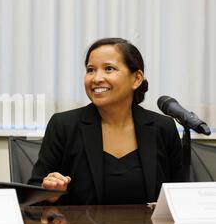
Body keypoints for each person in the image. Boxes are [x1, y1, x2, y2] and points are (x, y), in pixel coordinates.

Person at [28, 38, 184, 205]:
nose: (96, 78)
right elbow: (33, 194)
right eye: (90, 70)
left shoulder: (163, 128)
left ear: (136, 78)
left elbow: (180, 198)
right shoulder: (64, 125)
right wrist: (49, 193)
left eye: (109, 69)